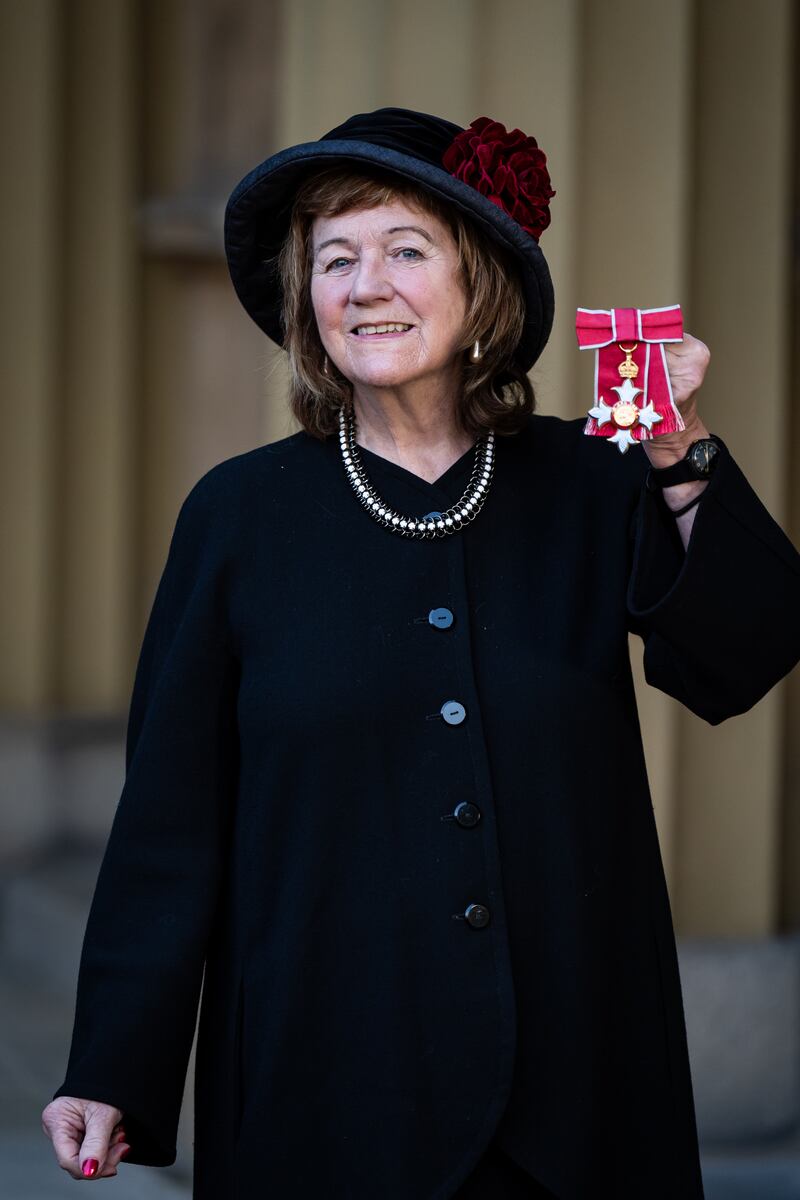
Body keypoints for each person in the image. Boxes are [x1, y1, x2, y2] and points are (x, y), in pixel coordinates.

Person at [42, 107, 800, 1198]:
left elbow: (744, 651)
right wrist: (113, 1065)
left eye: (404, 249)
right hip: (322, 1089)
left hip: (572, 1097)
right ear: (308, 301)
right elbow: (171, 816)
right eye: (334, 258)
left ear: (479, 280)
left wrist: (678, 456)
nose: (364, 285)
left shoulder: (590, 483)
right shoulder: (239, 516)